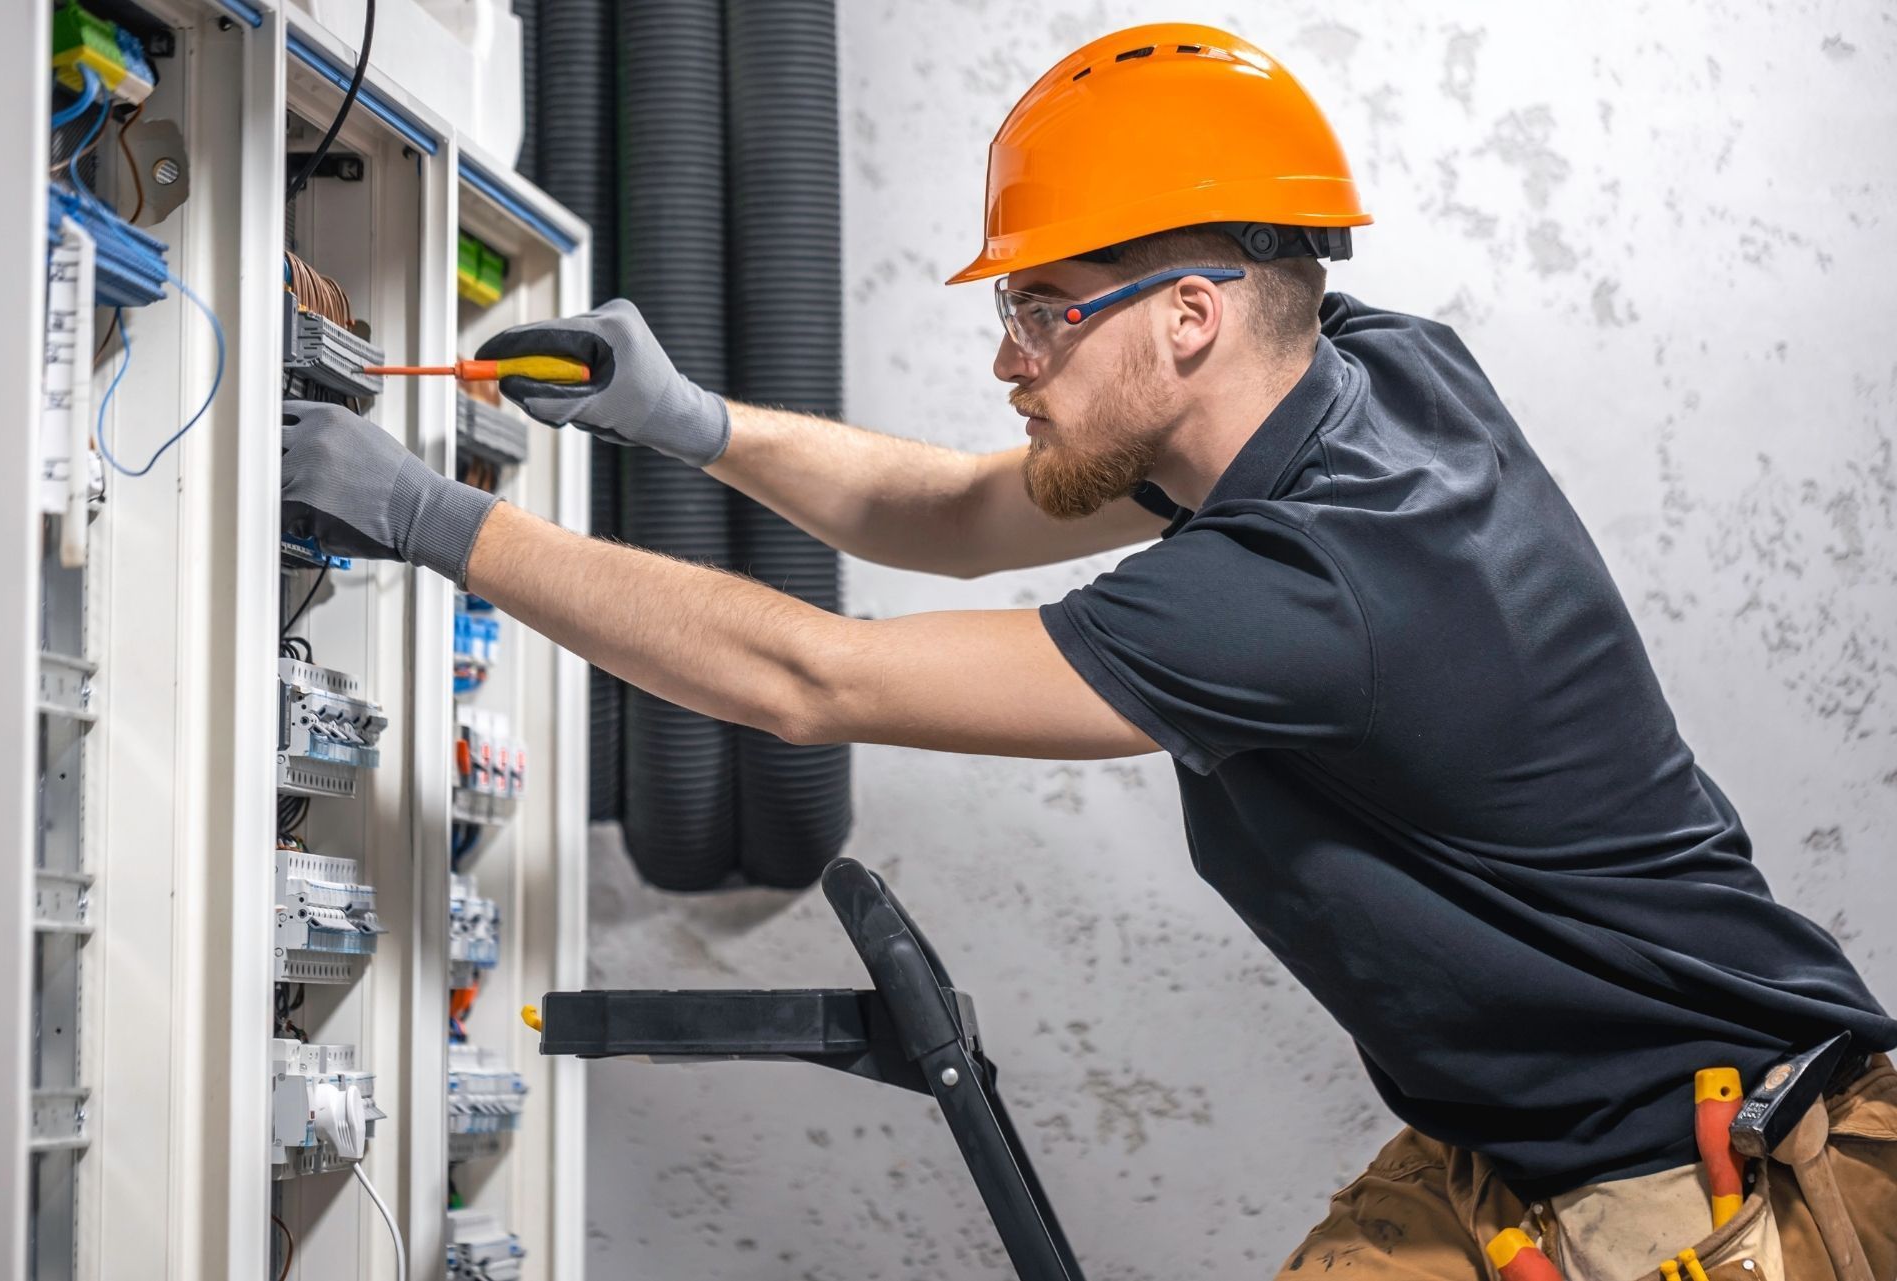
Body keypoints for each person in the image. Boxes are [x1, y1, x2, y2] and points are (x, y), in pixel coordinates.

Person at [282, 23, 1895, 1281]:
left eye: (1045, 309)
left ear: (1189, 316)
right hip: (1536, 1134)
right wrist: (685, 420)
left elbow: (808, 679)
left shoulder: (1300, 587)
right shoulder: (1373, 375)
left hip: (1724, 1180)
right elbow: (971, 510)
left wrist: (431, 519)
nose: (1008, 354)